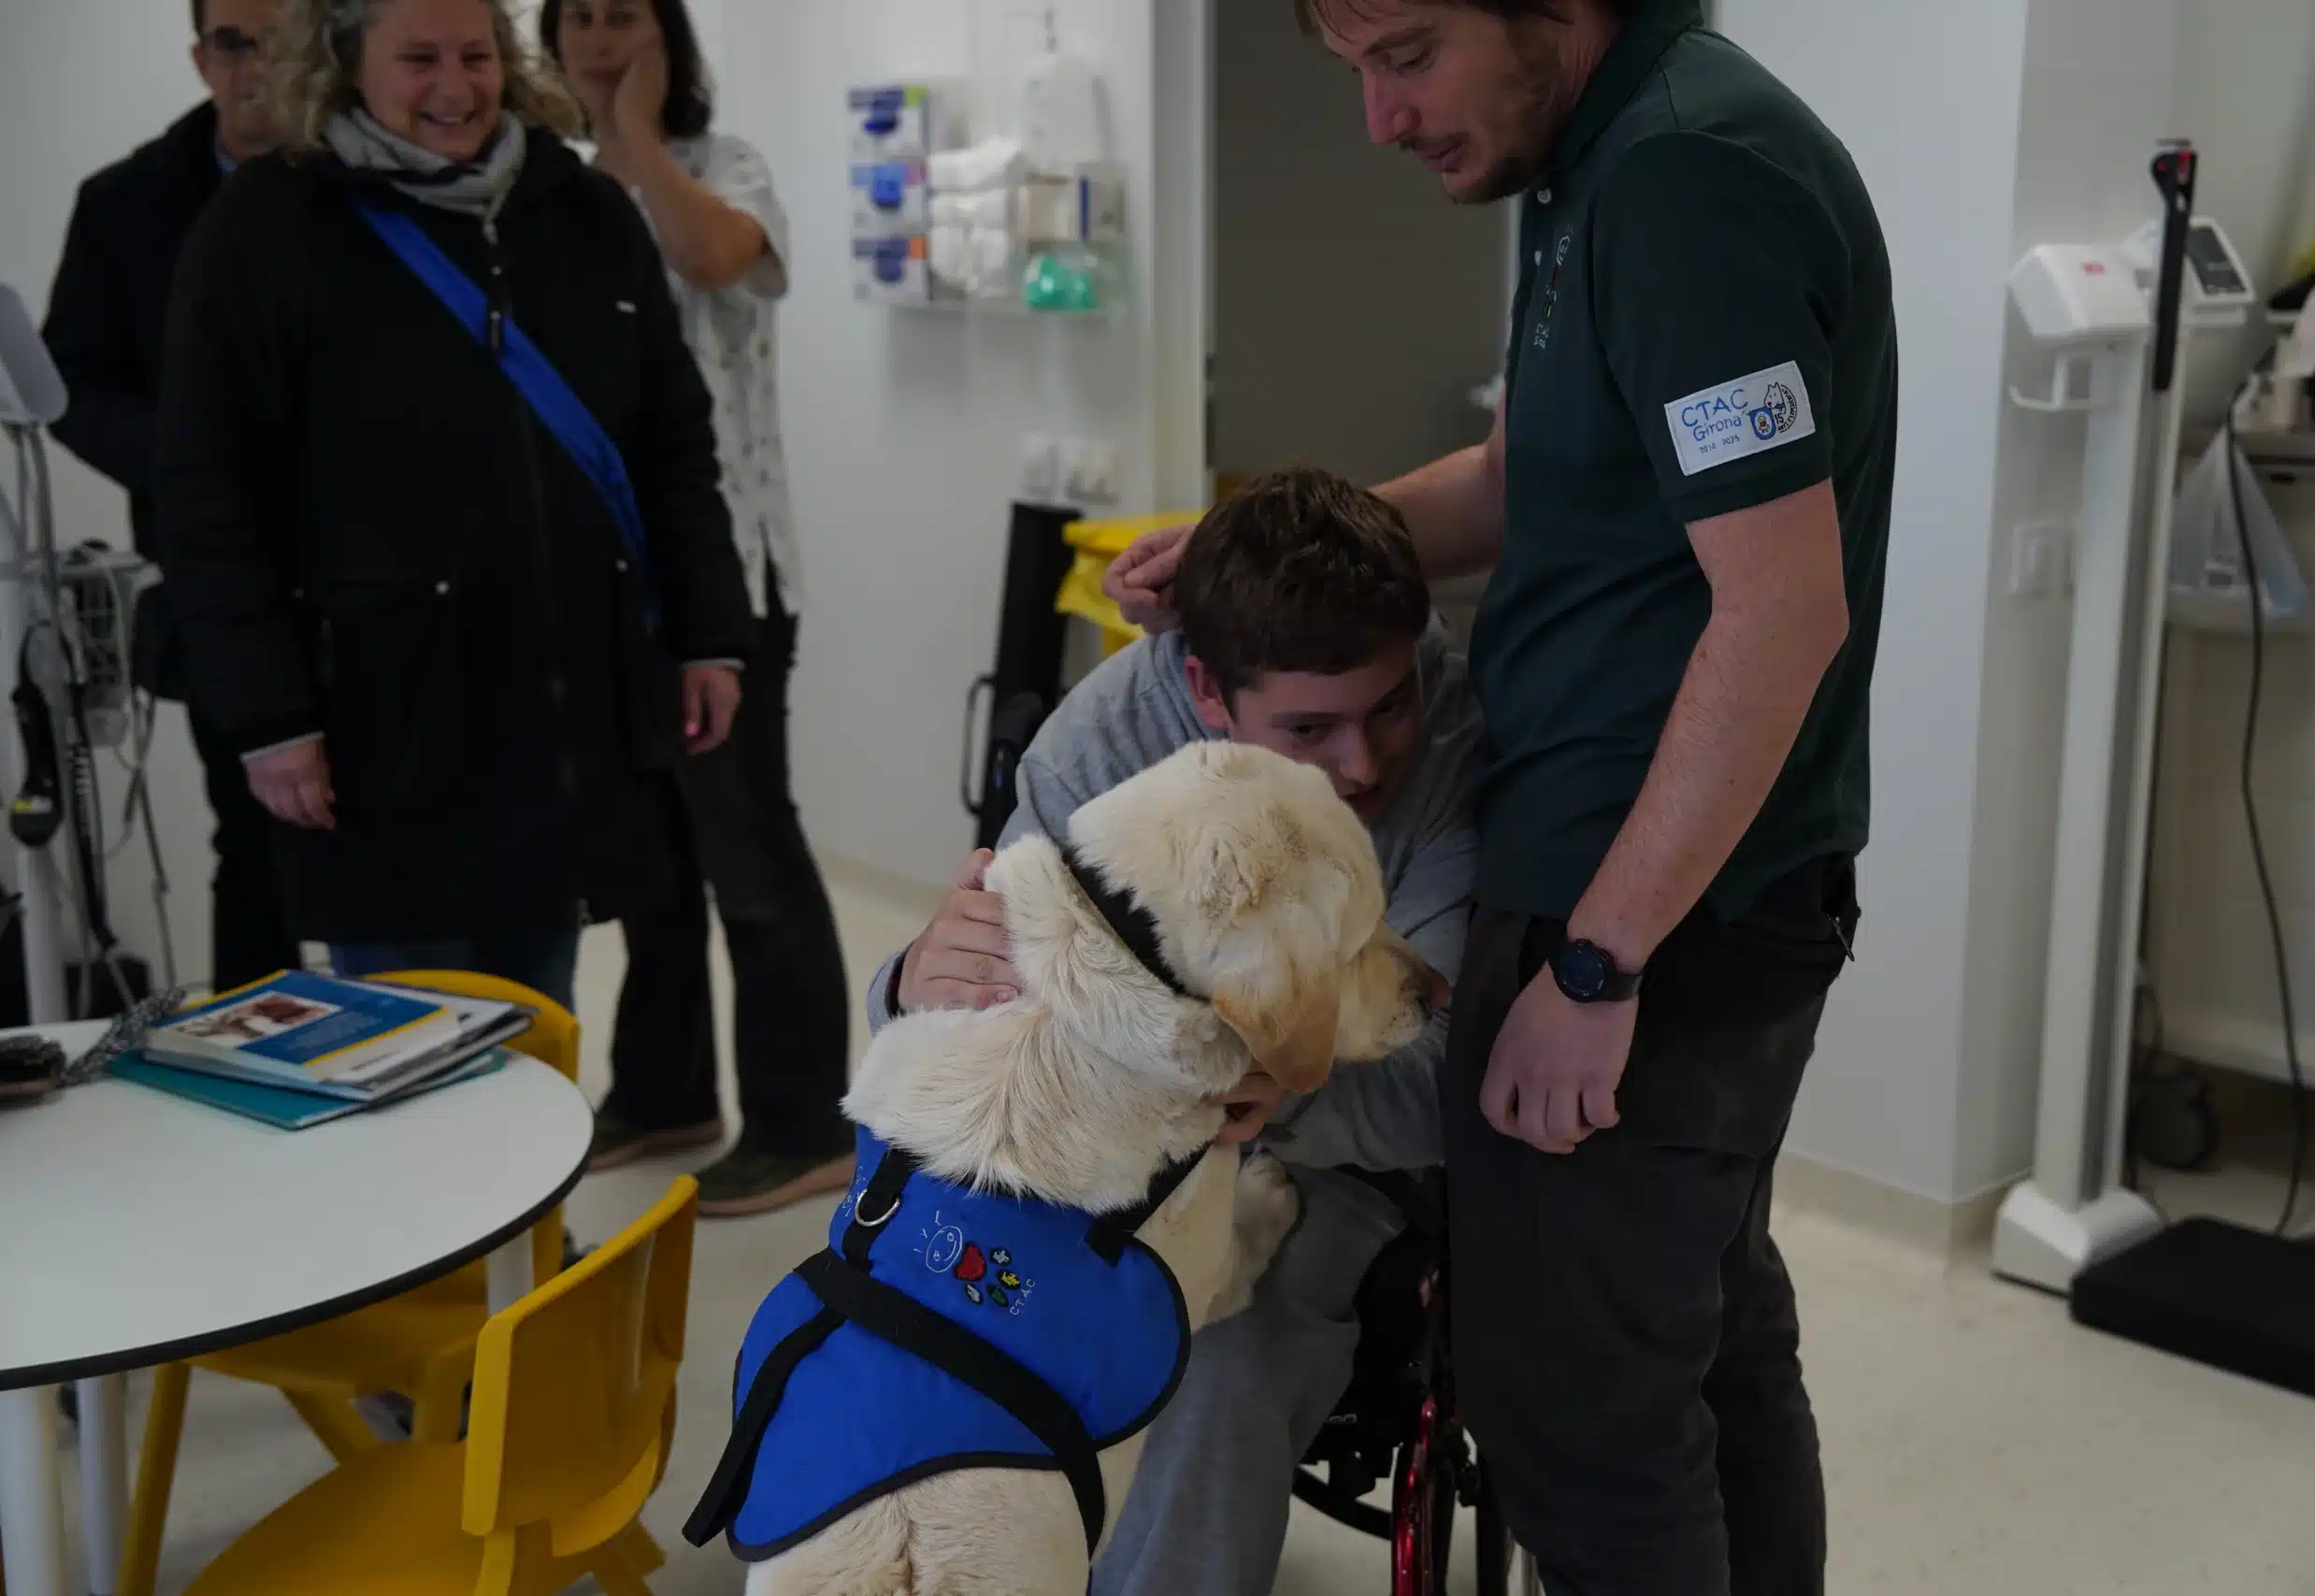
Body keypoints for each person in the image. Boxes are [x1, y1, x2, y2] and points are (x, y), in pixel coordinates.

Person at [1108, 4, 1896, 1592]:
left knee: (1586, 1430)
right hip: (1661, 884)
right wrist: (1251, 550)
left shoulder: (1684, 173)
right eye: (1356, 74)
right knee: (1710, 1344)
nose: (1383, 122)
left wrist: (1594, 964)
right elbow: (1521, 480)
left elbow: (1782, 611)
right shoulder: (1595, 158)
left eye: (1406, 54)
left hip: (1653, 909)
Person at [881, 467, 1479, 1595]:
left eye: (1388, 705)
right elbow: (976, 998)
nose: (1361, 765)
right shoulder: (1096, 745)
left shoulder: (1454, 751)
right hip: (1102, 1141)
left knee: (1214, 1357)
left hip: (1331, 1152)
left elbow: (1438, 1078)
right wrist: (908, 982)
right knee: (933, 1287)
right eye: (1310, 729)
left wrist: (1276, 1102)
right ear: (1206, 690)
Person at [154, 0, 753, 1012]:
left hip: (558, 720)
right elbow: (209, 497)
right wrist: (270, 718)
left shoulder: (584, 210)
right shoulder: (267, 224)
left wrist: (709, 634)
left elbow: (672, 446)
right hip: (381, 731)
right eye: (418, 58)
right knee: (403, 1053)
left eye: (477, 55)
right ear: (346, 63)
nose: (455, 87)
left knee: (533, 1032)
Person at [542, 0, 855, 1216]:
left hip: (730, 578)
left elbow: (719, 256)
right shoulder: (547, 189)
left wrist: (633, 138)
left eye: (627, 14)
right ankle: (667, 1090)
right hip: (605, 583)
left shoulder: (723, 171)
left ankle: (803, 1117)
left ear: (668, 37)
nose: (602, 36)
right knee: (647, 850)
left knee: (748, 842)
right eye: (581, 18)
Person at [41, 0, 295, 996]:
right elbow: (70, 384)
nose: (257, 67)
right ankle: (261, 1096)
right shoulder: (127, 205)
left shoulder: (373, 184)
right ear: (201, 58)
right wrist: (192, 461)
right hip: (220, 582)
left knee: (405, 853)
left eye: (279, 40)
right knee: (256, 841)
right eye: (235, 42)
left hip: (382, 579)